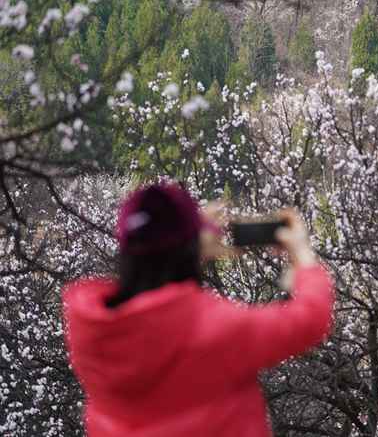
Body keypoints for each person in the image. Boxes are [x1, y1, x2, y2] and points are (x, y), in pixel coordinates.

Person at [62, 182, 334, 437]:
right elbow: (310, 319)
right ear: (189, 247)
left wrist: (188, 238)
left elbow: (155, 262)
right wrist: (303, 258)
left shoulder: (91, 332)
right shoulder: (214, 327)